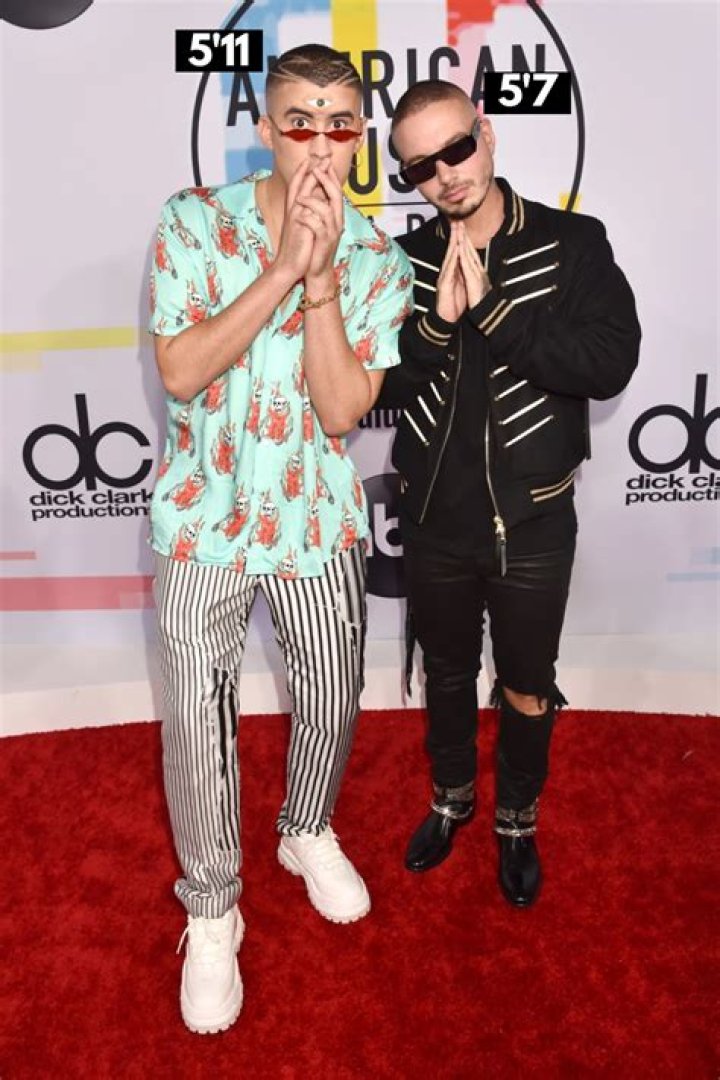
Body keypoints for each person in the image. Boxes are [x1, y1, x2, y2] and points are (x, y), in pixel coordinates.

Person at [148, 44, 412, 1034]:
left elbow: (341, 411)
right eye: (299, 121)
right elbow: (182, 371)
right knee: (196, 719)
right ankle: (213, 908)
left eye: (339, 124)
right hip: (202, 519)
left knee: (333, 698)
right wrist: (283, 269)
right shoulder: (192, 222)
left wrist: (324, 279)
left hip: (317, 522)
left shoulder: (381, 260)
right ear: (266, 130)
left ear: (358, 137)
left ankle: (305, 828)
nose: (319, 143)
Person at [378, 80, 640, 906]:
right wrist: (434, 326)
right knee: (448, 674)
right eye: (421, 168)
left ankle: (517, 819)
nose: (446, 175)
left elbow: (609, 364)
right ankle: (451, 799)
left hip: (532, 519)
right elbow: (373, 384)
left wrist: (493, 314)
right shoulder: (400, 262)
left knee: (527, 683)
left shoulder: (571, 243)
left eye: (456, 149)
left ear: (486, 135)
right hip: (431, 518)